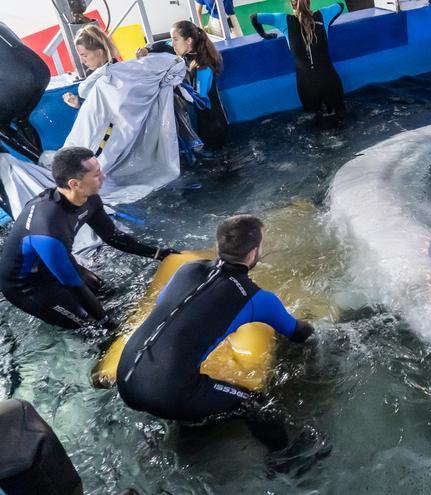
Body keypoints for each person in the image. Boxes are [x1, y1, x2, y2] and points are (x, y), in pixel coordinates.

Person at [116, 215, 318, 468]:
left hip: (125, 378)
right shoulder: (256, 298)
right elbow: (297, 334)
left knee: (184, 386)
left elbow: (168, 311)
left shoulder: (187, 269)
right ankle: (285, 459)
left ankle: (184, 422)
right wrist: (318, 329)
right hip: (169, 393)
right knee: (254, 402)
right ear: (255, 252)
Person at [0, 147, 177, 330]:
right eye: (96, 174)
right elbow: (73, 284)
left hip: (54, 264)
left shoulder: (89, 198)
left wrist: (159, 253)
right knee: (91, 326)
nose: (104, 177)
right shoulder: (48, 228)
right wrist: (109, 325)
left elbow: (113, 237)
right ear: (75, 184)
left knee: (108, 293)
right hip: (27, 286)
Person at [137, 21, 229, 150]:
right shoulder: (187, 52)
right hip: (203, 121)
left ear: (189, 41)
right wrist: (147, 50)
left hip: (214, 124)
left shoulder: (203, 66)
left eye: (176, 40)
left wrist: (176, 86)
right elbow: (164, 45)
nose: (173, 44)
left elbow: (201, 101)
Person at [251, 0, 346, 118]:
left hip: (306, 86)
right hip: (330, 81)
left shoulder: (283, 20)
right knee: (341, 120)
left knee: (317, 124)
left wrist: (265, 35)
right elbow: (340, 6)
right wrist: (326, 22)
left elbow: (254, 17)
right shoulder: (323, 15)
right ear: (309, 2)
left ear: (291, 4)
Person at [0, 21, 50, 163]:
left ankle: (42, 164)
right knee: (21, 118)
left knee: (1, 125)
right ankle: (43, 159)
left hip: (17, 80)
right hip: (40, 72)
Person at [62, 25, 122, 109]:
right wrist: (78, 105)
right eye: (80, 56)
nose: (82, 61)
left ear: (99, 52)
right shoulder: (91, 73)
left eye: (85, 56)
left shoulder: (117, 74)